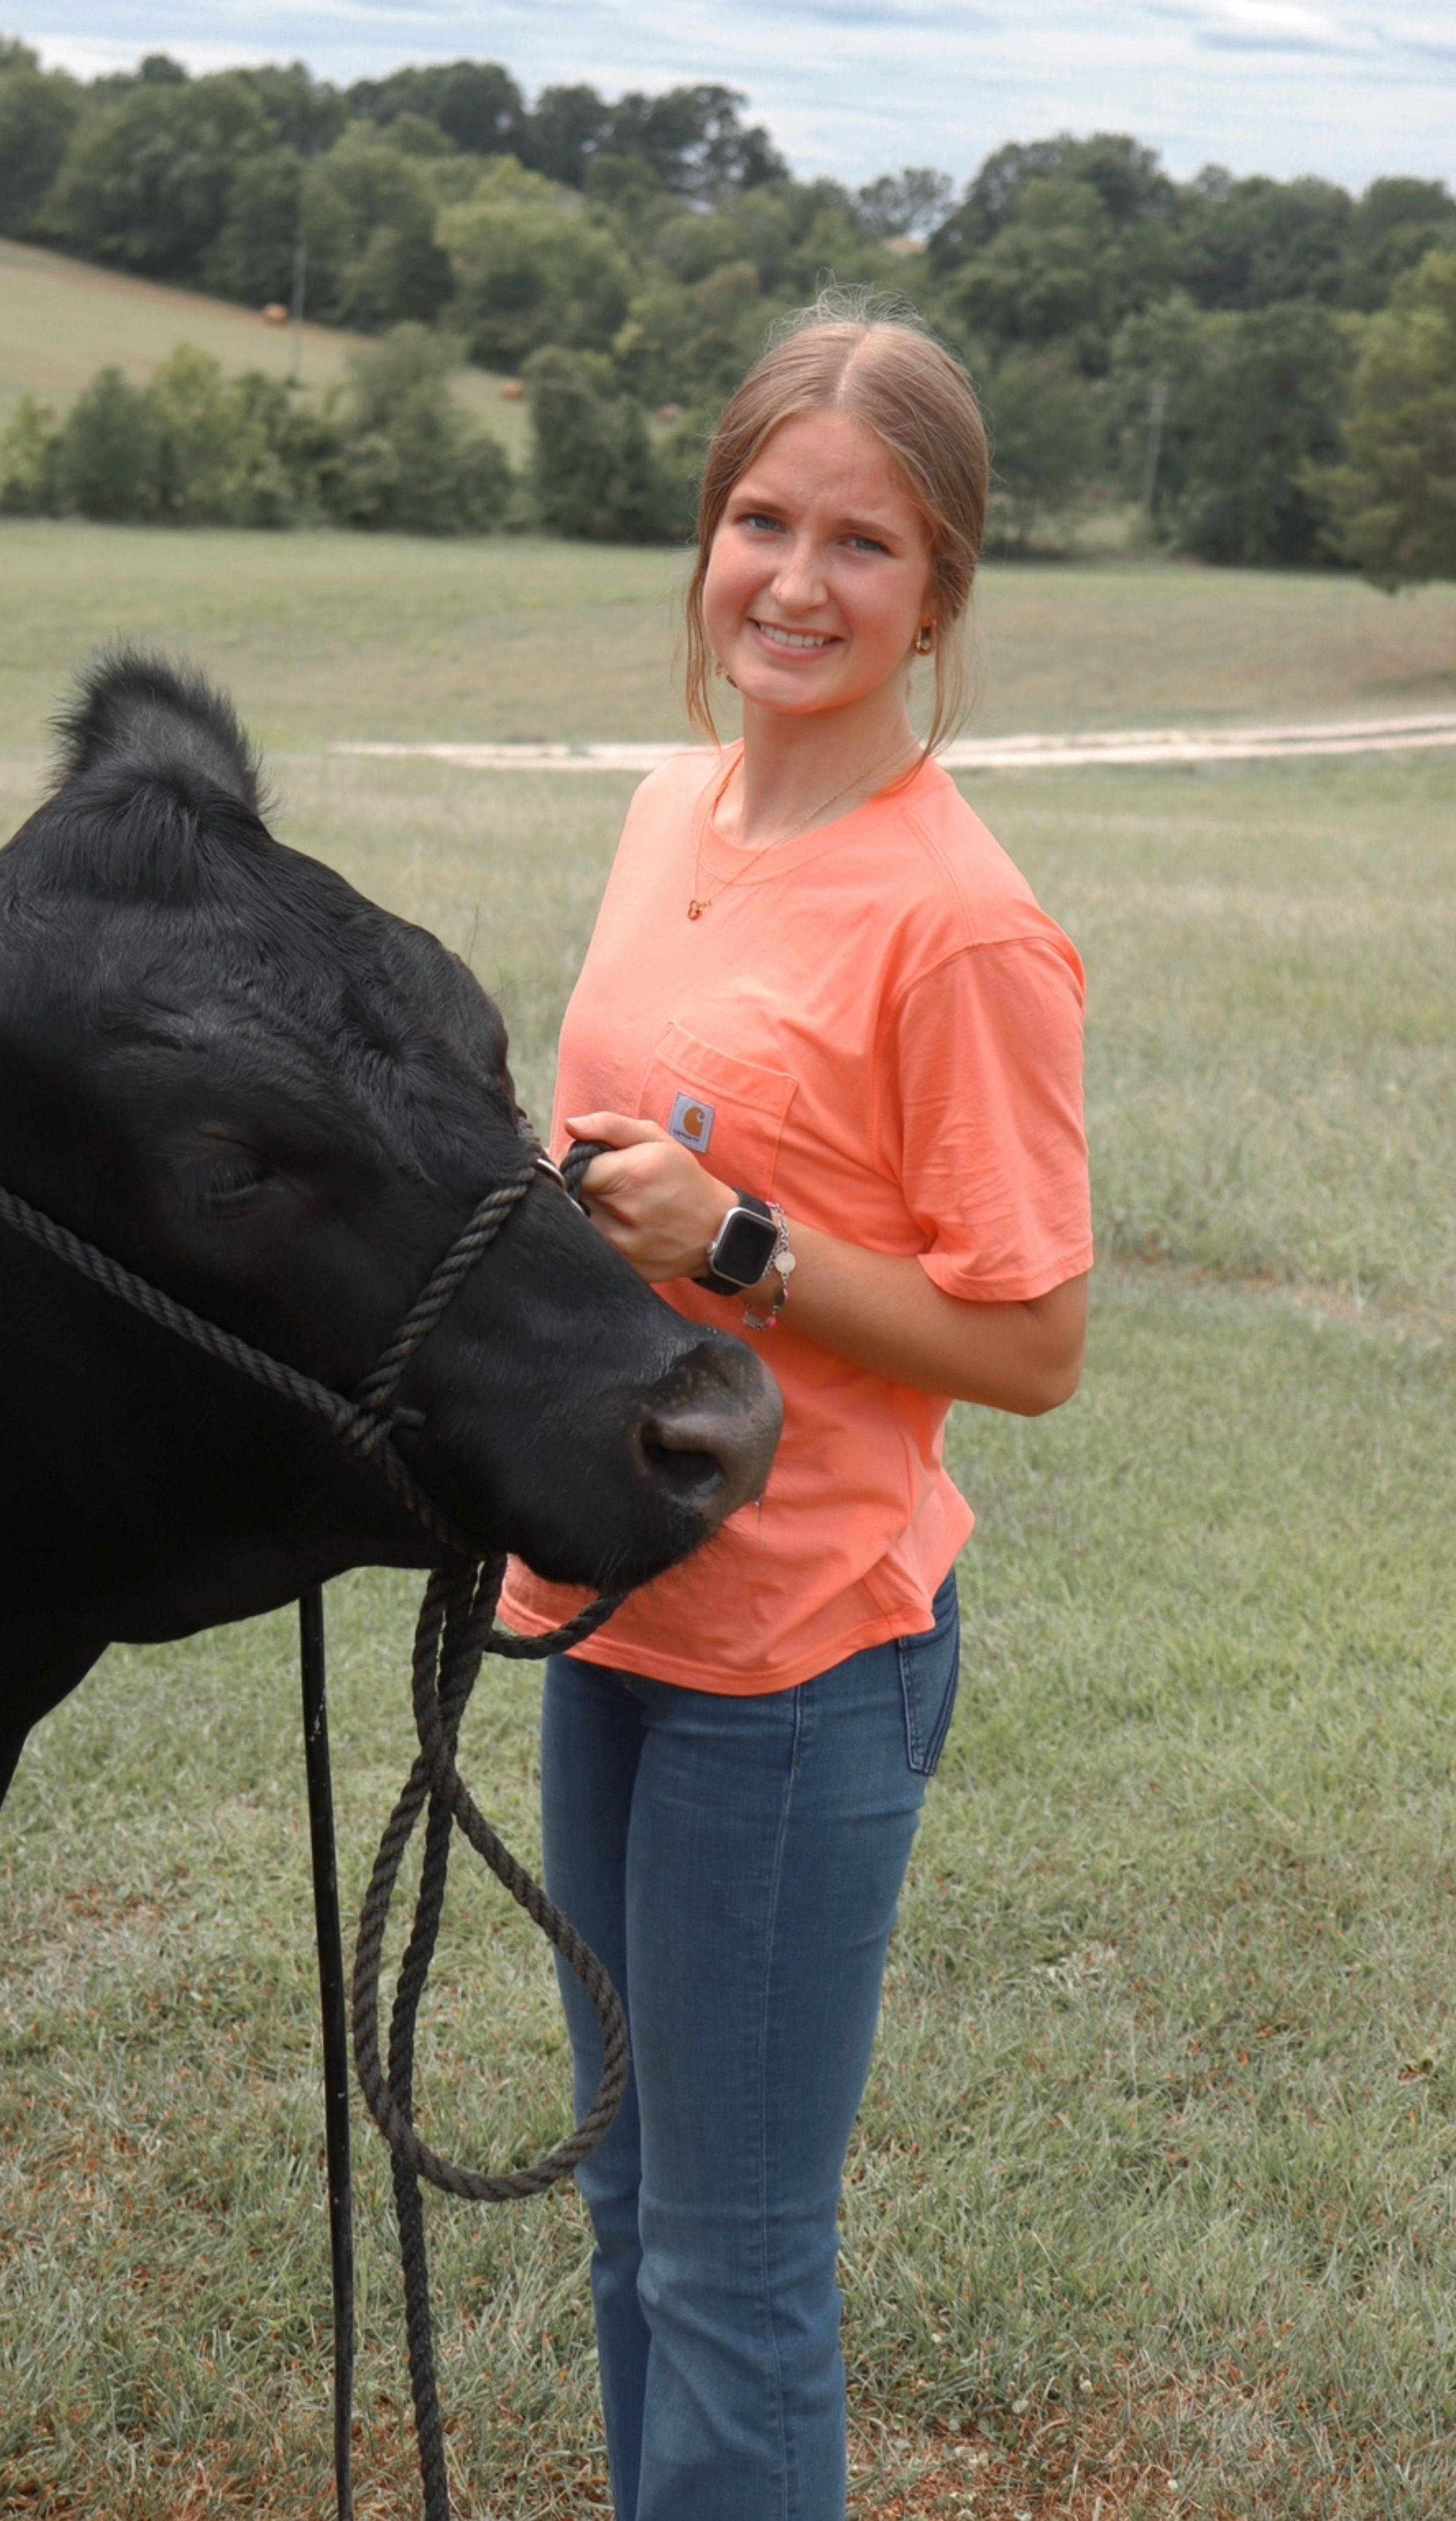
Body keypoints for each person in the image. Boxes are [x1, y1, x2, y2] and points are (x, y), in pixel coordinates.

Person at [501, 296, 1093, 2521]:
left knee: (738, 2268)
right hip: (613, 1603)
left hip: (801, 1655)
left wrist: (744, 1244)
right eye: (764, 518)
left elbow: (1034, 1345)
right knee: (629, 2216)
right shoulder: (672, 808)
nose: (799, 580)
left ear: (939, 591)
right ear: (707, 530)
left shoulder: (963, 926)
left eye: (865, 540)